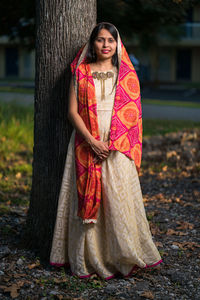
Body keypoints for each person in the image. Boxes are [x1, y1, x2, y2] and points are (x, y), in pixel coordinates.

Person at [50, 22, 162, 279]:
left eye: (110, 40)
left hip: (117, 146)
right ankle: (88, 258)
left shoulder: (125, 75)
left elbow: (132, 115)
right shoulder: (81, 71)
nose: (105, 45)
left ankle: (121, 256)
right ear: (92, 43)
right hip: (86, 142)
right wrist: (92, 141)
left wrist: (112, 143)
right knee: (87, 201)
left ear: (117, 44)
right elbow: (71, 112)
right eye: (100, 40)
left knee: (118, 200)